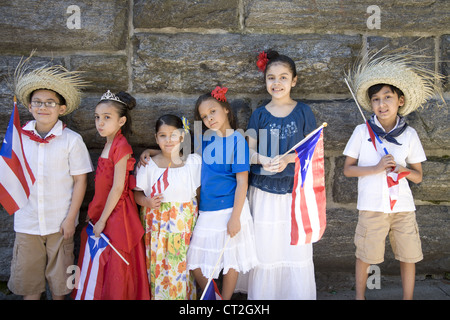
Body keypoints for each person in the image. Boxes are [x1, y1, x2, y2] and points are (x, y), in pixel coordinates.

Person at [343, 48, 444, 300]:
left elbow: (418, 176)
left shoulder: (409, 135)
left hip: (403, 207)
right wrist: (376, 169)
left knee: (408, 254)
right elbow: (347, 169)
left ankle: (407, 297)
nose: (381, 103)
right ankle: (360, 296)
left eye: (387, 97)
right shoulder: (361, 131)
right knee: (366, 253)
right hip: (372, 206)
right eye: (376, 99)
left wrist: (403, 170)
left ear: (400, 100)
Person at [8, 58, 93, 300]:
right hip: (27, 222)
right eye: (37, 102)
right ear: (29, 106)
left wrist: (70, 219)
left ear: (61, 108)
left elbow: (80, 181)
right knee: (30, 287)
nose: (43, 107)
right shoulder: (18, 139)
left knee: (60, 286)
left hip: (60, 224)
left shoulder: (71, 140)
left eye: (50, 103)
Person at [239, 50, 318, 300]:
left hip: (295, 192)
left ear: (294, 81)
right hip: (264, 192)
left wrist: (288, 159)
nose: (277, 83)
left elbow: (313, 151)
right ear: (265, 82)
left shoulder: (304, 112)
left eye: (283, 77)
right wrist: (261, 158)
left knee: (294, 249)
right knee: (266, 249)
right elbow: (248, 151)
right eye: (271, 78)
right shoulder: (259, 114)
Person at [73, 90, 149, 300]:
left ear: (121, 120)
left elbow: (117, 188)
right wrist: (94, 213)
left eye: (107, 118)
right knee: (99, 262)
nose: (100, 123)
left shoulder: (121, 146)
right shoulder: (107, 143)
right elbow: (101, 188)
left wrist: (103, 220)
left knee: (115, 262)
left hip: (117, 214)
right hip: (103, 209)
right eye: (97, 117)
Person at [186, 87, 258, 300]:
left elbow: (242, 181)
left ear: (225, 109)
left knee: (230, 259)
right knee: (194, 260)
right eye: (204, 116)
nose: (209, 118)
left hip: (230, 208)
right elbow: (179, 156)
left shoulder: (237, 140)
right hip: (207, 209)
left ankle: (225, 300)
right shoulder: (203, 140)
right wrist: (150, 151)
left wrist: (235, 217)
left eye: (213, 111)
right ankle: (212, 296)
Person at [134, 114, 201, 300]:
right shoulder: (149, 166)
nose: (168, 140)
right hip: (158, 231)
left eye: (173, 135)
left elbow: (200, 194)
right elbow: (136, 193)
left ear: (182, 136)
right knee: (160, 271)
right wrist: (146, 202)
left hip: (184, 230)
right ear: (156, 138)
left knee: (182, 272)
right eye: (162, 135)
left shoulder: (193, 163)